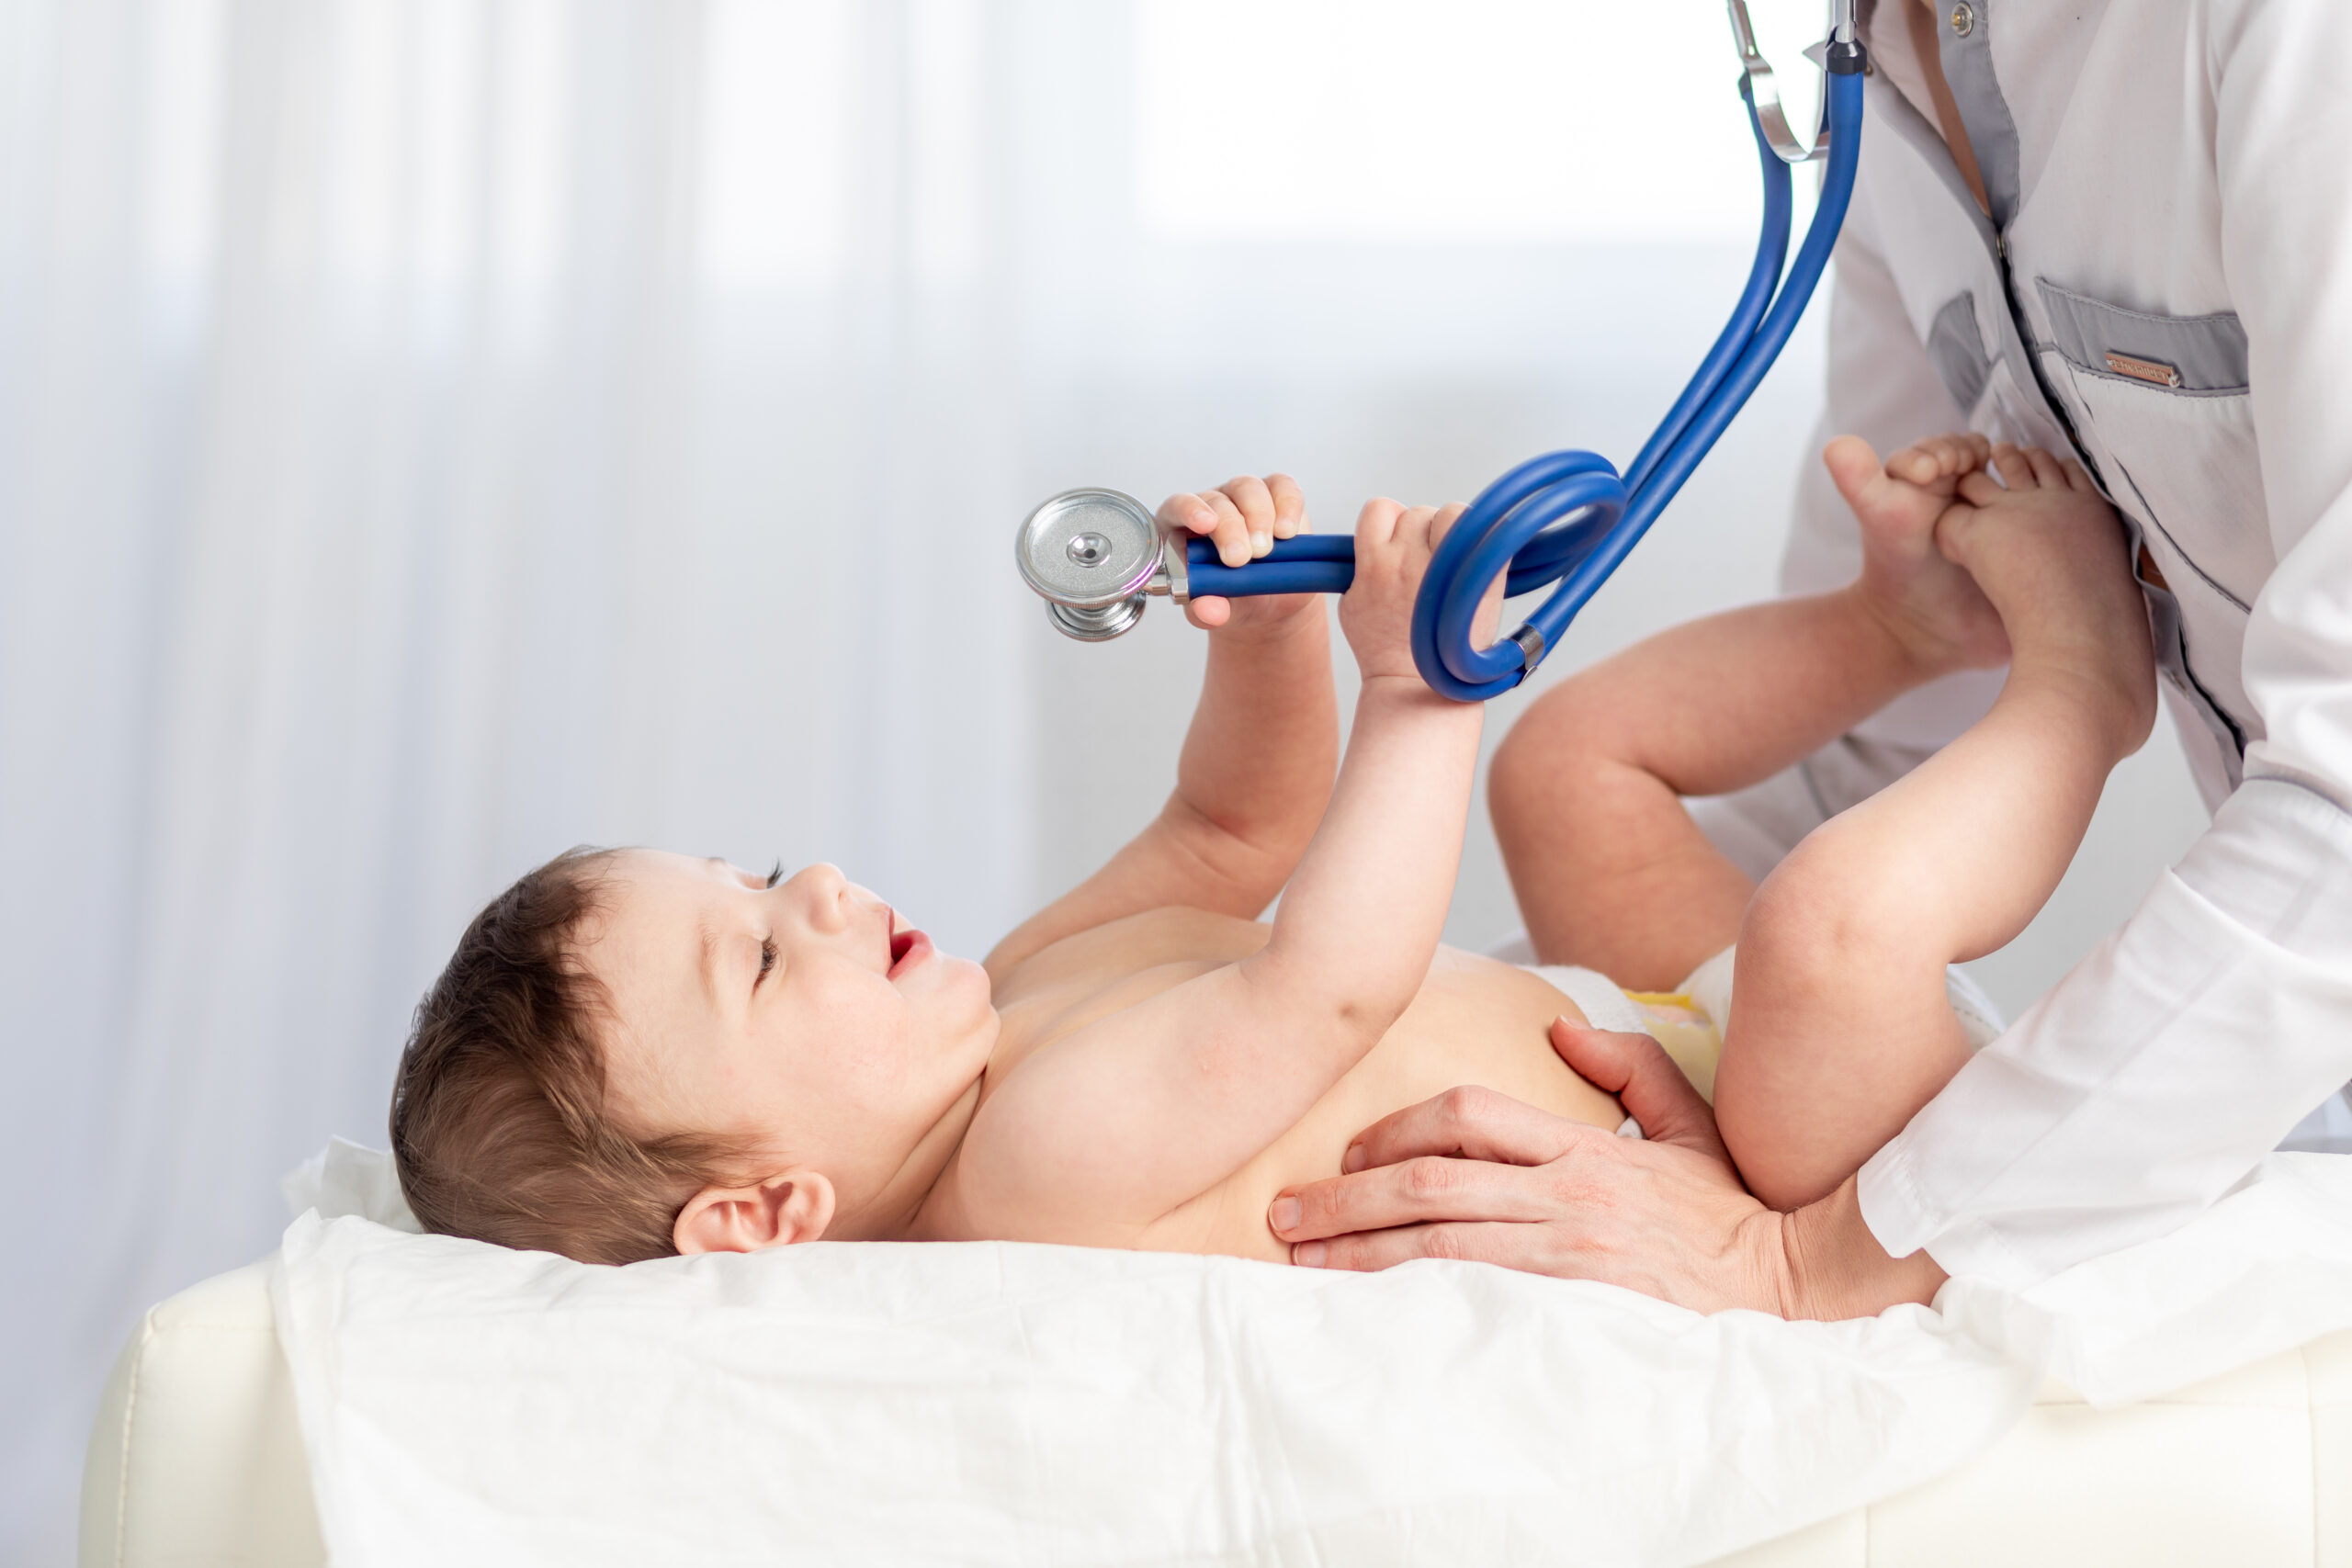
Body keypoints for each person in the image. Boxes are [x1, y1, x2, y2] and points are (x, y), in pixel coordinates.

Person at [388, 434, 2139, 1272]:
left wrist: (1257, 644)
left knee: (1579, 767)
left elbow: (1228, 834)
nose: (825, 893)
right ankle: (2080, 684)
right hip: (1781, 1154)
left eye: (762, 874)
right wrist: (1413, 686)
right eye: (764, 955)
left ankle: (1906, 627)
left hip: (1670, 1038)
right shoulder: (1036, 1175)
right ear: (766, 1213)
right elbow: (1331, 982)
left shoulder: (1016, 1004)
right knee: (1835, 923)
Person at [1266, 0, 2352, 1315]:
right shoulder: (1891, 83)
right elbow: (1862, 773)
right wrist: (1891, 633)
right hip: (2237, 1053)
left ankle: (2084, 688)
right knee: (1614, 804)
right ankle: (2066, 682)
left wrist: (1813, 1259)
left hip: (2280, 987)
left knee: (1741, 881)